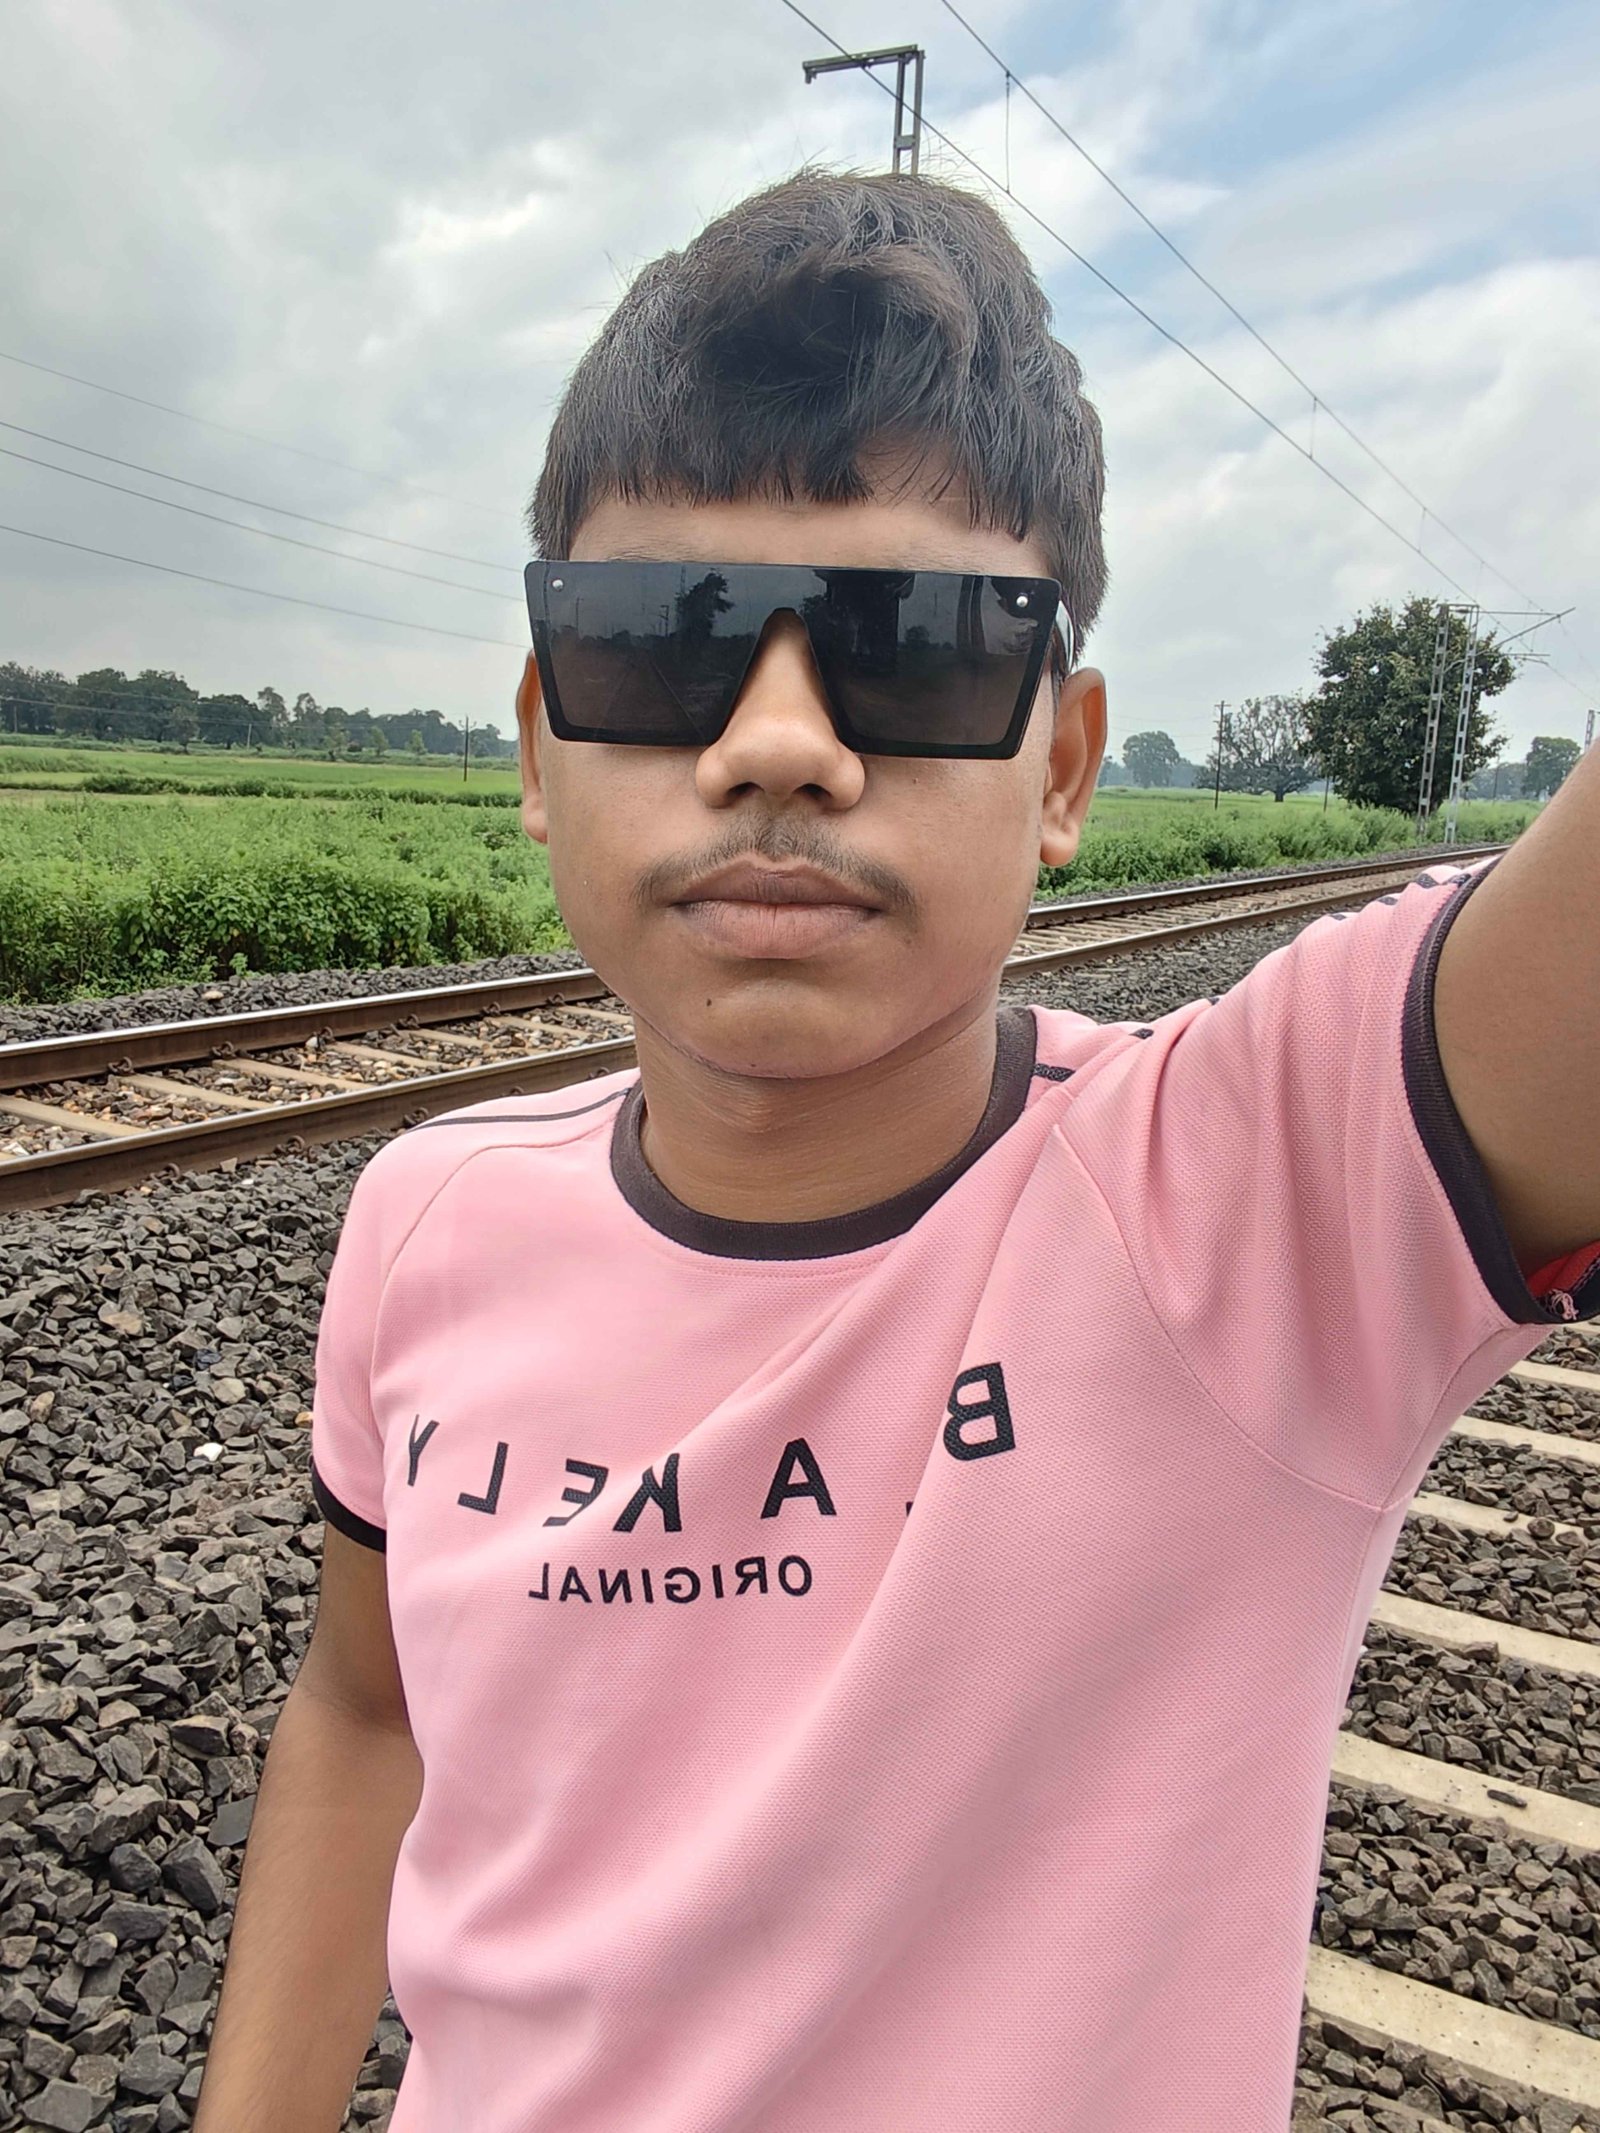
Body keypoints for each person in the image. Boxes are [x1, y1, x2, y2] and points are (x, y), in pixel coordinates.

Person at [193, 166, 1600, 2133]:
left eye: (919, 646)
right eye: (659, 640)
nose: (776, 740)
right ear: (536, 745)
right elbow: (365, 1713)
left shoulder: (1265, 1192)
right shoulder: (421, 1221)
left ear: (1062, 763)